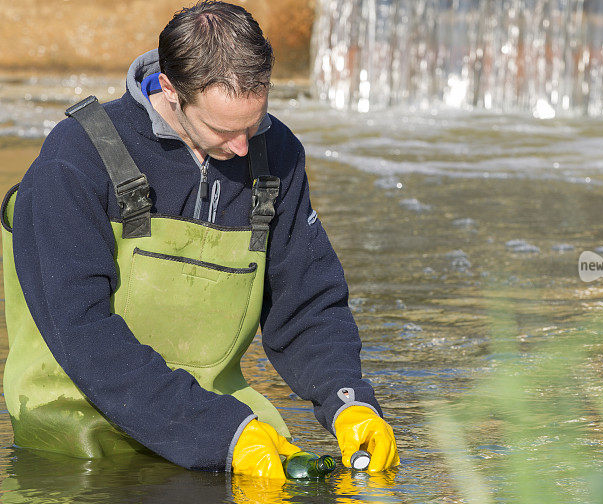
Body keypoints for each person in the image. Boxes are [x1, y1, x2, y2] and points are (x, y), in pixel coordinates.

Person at [0, 0, 399, 479]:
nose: (243, 148)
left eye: (255, 122)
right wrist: (221, 434)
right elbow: (82, 331)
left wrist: (347, 401)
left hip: (224, 424)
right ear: (169, 89)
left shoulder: (277, 153)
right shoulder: (75, 157)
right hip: (80, 440)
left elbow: (307, 305)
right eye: (223, 129)